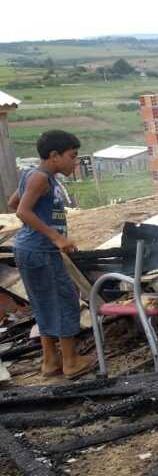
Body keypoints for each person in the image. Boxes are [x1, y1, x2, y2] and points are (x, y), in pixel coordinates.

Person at [8, 130, 94, 379]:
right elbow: (22, 212)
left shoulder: (32, 174)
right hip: (41, 251)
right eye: (72, 156)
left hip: (28, 249)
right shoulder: (40, 178)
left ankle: (50, 361)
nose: (75, 162)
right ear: (54, 155)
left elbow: (15, 201)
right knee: (65, 300)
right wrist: (56, 237)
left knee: (43, 303)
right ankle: (71, 362)